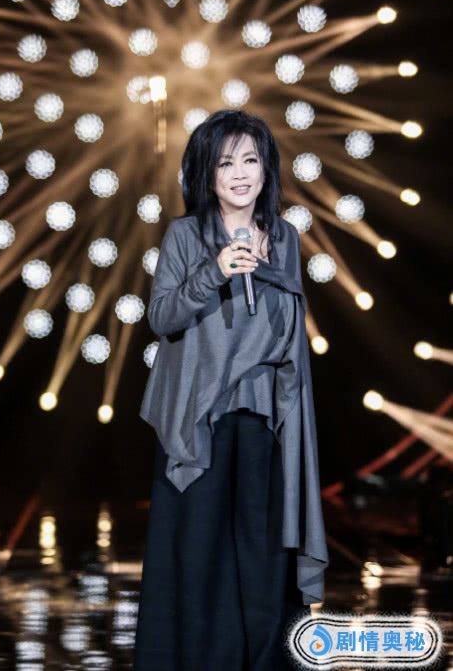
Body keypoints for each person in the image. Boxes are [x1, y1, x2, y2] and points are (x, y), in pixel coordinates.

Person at [133, 109, 329, 670]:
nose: (240, 174)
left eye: (250, 160)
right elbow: (162, 317)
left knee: (264, 554)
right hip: (202, 417)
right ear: (206, 172)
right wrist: (214, 271)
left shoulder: (285, 237)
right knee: (201, 552)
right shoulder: (185, 235)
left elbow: (290, 330)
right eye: (225, 163)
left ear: (267, 168)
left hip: (265, 414)